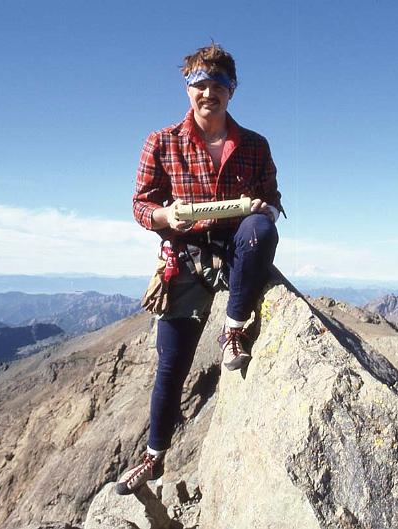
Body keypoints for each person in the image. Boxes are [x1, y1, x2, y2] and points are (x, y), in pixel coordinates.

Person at [117, 42, 283, 495]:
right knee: (172, 364)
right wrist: (163, 216)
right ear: (187, 88)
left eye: (219, 83)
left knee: (260, 230)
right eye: (200, 83)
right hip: (186, 256)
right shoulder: (162, 142)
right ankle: (153, 458)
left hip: (237, 249)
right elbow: (140, 204)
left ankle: (234, 327)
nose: (209, 92)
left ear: (232, 89)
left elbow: (273, 198)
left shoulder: (254, 145)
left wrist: (264, 209)